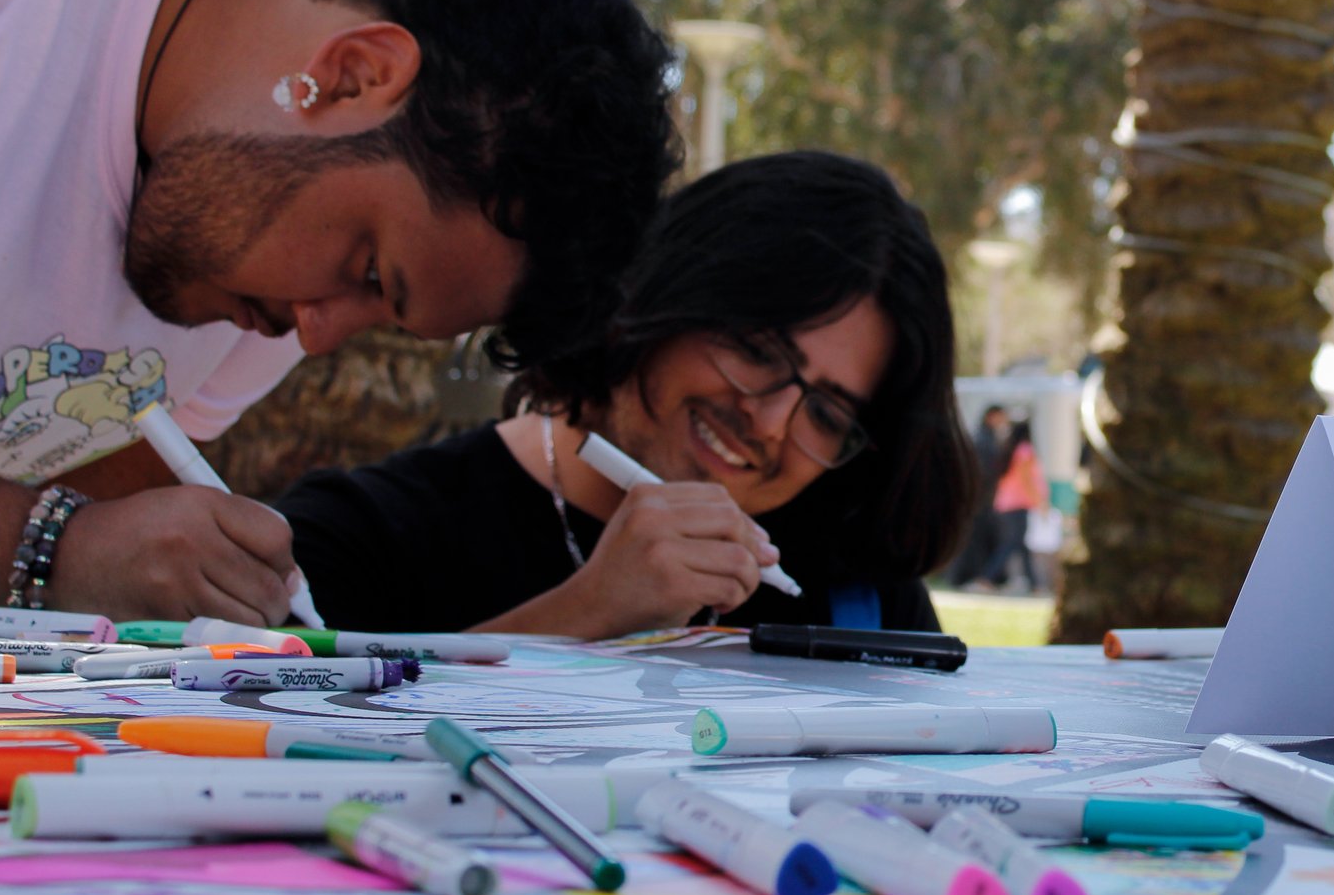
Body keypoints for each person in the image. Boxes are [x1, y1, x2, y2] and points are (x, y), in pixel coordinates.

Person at [0, 0, 680, 625]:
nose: (314, 335)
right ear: (355, 74)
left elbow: (106, 530)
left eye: (377, 313)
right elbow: (54, 545)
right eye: (368, 271)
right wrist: (48, 549)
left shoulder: (262, 222)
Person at [279, 152, 973, 638]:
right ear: (660, 297)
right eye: (758, 351)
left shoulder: (859, 595)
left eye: (826, 412)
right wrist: (586, 614)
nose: (768, 421)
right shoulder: (359, 539)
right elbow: (276, 757)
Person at [979, 418, 1046, 593]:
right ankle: (987, 577)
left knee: (1021, 545)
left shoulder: (1009, 449)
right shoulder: (1024, 451)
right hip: (1018, 504)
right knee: (1011, 544)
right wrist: (1040, 502)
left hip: (1005, 504)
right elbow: (1027, 481)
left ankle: (1035, 585)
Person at [945, 404, 1010, 586]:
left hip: (981, 501)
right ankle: (964, 577)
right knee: (972, 542)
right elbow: (983, 472)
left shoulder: (986, 439)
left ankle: (972, 577)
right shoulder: (982, 440)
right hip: (979, 502)